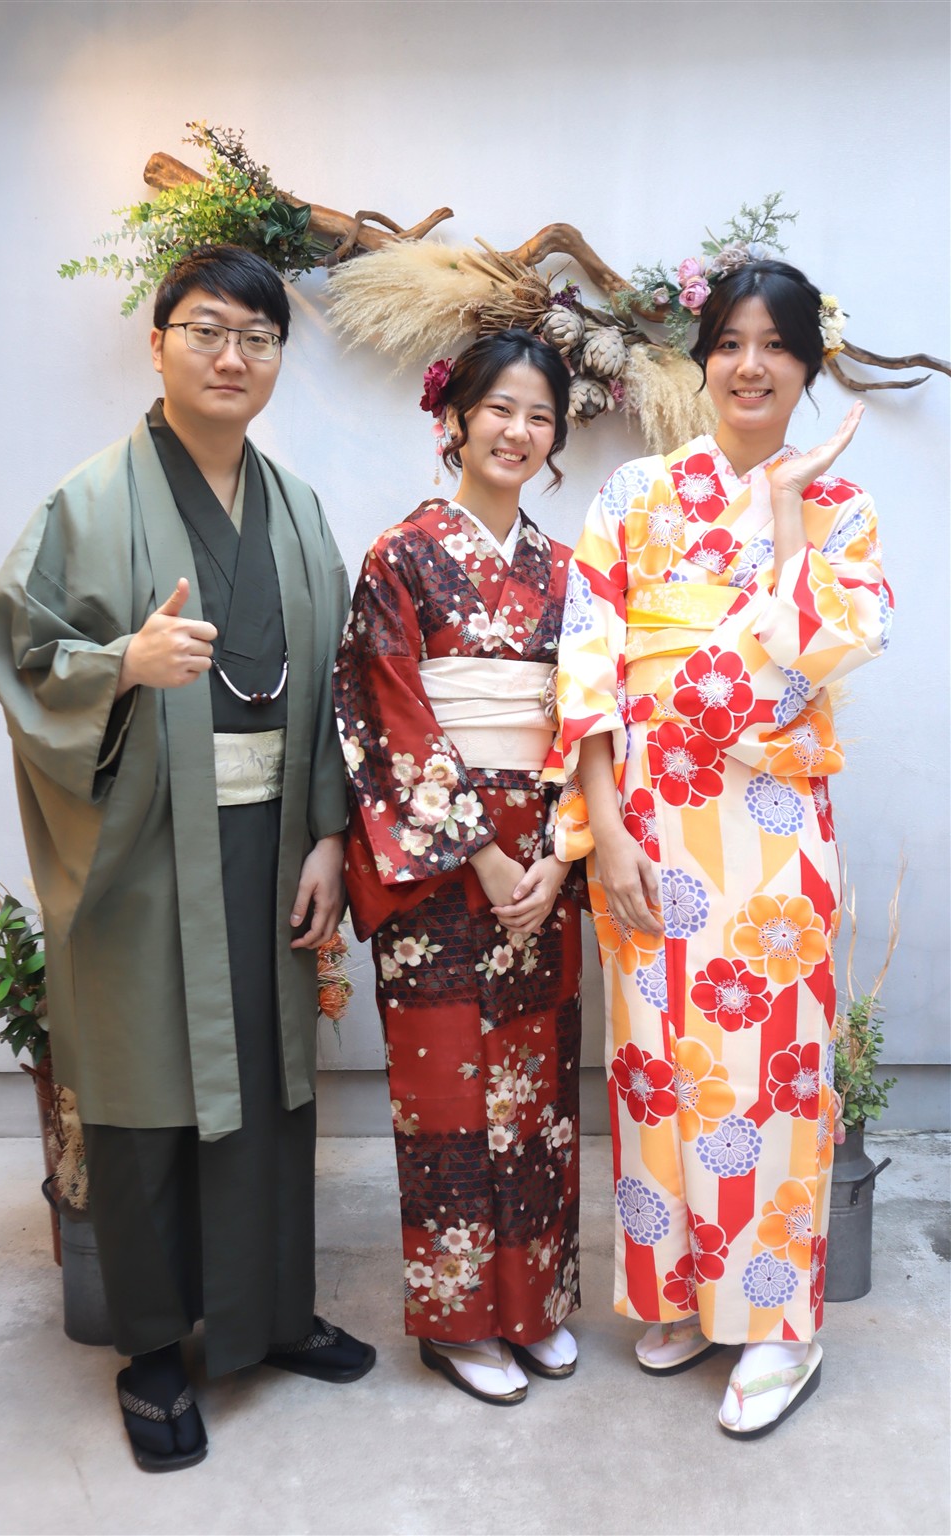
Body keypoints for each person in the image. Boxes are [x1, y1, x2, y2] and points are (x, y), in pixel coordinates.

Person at [0, 244, 375, 1472]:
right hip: (145, 845)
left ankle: (270, 1314)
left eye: (257, 337)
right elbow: (21, 656)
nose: (230, 356)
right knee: (149, 1092)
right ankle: (153, 1351)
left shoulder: (298, 509)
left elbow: (334, 686)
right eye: (205, 329)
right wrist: (122, 668)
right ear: (158, 344)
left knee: (269, 1082)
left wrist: (328, 833)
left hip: (273, 841)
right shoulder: (89, 502)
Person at [554, 259, 891, 1438]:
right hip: (648, 824)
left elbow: (824, 651)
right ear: (701, 361)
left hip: (770, 832)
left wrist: (788, 510)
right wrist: (601, 829)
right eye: (730, 343)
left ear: (806, 365)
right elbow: (588, 658)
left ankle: (780, 1326)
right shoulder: (635, 493)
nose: (751, 366)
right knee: (657, 1069)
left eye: (776, 345)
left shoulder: (842, 509)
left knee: (771, 1075)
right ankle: (691, 1297)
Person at [334, 330, 584, 1407]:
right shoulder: (400, 556)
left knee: (536, 1092)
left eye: (539, 415)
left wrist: (560, 852)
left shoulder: (569, 574)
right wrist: (480, 850)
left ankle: (532, 1308)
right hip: (441, 865)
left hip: (540, 865)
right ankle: (456, 1322)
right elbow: (381, 709)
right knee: (446, 1093)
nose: (517, 431)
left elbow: (590, 724)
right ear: (456, 420)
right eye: (499, 409)